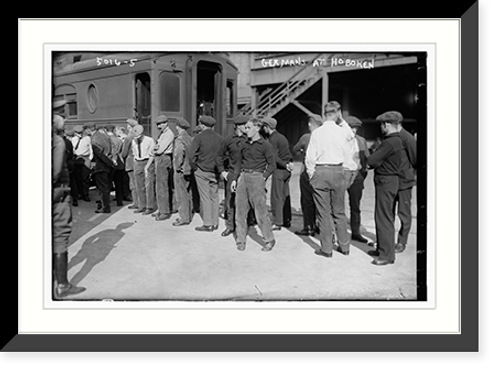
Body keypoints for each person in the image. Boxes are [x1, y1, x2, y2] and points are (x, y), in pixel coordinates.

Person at [305, 102, 352, 257]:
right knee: (339, 212)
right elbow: (350, 137)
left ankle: (326, 249)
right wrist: (342, 120)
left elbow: (310, 157)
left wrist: (312, 174)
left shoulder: (317, 133)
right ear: (337, 113)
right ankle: (344, 247)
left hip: (321, 170)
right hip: (338, 170)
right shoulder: (342, 131)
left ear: (324, 113)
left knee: (323, 213)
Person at [52, 102, 86, 299]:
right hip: (58, 195)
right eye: (62, 116)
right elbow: (55, 172)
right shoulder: (56, 141)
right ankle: (63, 285)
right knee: (60, 237)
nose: (65, 120)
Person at [232, 117, 276, 252]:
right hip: (243, 177)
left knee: (260, 211)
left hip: (257, 177)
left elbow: (272, 164)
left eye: (248, 128)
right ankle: (241, 240)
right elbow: (238, 163)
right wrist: (235, 179)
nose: (246, 130)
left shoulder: (265, 145)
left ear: (257, 128)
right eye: (245, 128)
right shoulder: (244, 144)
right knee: (240, 210)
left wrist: (263, 177)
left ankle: (269, 239)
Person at [366, 111, 403, 266]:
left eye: (382, 124)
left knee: (384, 218)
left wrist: (372, 158)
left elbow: (372, 160)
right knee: (384, 216)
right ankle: (383, 248)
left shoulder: (389, 142)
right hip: (390, 181)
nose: (381, 127)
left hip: (385, 182)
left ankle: (387, 255)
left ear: (387, 125)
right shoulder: (397, 140)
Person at [215, 114, 256, 237]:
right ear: (238, 126)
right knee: (230, 202)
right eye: (245, 125)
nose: (247, 127)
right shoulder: (228, 140)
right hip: (232, 174)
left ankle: (247, 224)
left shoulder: (250, 139)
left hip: (246, 174)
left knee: (247, 201)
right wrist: (222, 171)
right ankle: (230, 226)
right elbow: (218, 156)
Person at [189, 115, 224, 232]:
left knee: (205, 197)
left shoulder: (198, 138)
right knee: (214, 196)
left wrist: (194, 167)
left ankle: (207, 223)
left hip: (202, 170)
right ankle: (215, 222)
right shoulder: (220, 138)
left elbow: (191, 155)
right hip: (215, 171)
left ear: (202, 125)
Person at [292, 114, 323, 236]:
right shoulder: (325, 136)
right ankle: (320, 225)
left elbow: (295, 149)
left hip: (307, 171)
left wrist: (302, 152)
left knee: (307, 200)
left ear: (310, 124)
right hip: (321, 171)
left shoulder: (306, 137)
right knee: (320, 200)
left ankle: (308, 227)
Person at [262, 117, 293, 231]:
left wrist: (284, 165)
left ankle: (277, 222)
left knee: (276, 197)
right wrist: (289, 164)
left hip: (279, 170)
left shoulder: (272, 139)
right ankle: (286, 219)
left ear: (267, 127)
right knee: (285, 195)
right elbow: (289, 153)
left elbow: (274, 157)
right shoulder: (282, 137)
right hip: (287, 171)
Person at [344, 116, 370, 243]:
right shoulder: (339, 140)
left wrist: (362, 174)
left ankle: (355, 232)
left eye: (356, 128)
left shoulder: (361, 141)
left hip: (357, 176)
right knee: (335, 205)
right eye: (351, 127)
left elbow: (366, 159)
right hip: (341, 175)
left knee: (355, 206)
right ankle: (335, 232)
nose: (354, 130)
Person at [146, 115, 175, 221]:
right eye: (157, 124)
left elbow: (159, 150)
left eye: (161, 124)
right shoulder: (163, 133)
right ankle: (162, 208)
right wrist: (155, 149)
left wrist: (154, 150)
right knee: (160, 186)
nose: (158, 126)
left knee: (162, 187)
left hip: (163, 159)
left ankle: (164, 211)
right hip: (161, 159)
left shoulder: (168, 134)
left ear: (166, 123)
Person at [395, 115, 417, 253]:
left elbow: (415, 159)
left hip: (404, 182)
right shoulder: (392, 136)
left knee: (404, 213)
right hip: (392, 182)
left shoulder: (407, 138)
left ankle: (402, 242)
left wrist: (408, 173)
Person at [172, 117, 194, 226]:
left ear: (179, 127)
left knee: (181, 195)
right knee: (188, 193)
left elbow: (178, 155)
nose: (176, 128)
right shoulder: (190, 138)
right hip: (189, 169)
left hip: (181, 170)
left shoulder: (179, 139)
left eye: (177, 126)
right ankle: (188, 215)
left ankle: (184, 218)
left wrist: (177, 167)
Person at [90, 124, 116, 213]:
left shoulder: (94, 139)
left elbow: (99, 154)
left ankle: (105, 207)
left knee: (102, 188)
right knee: (107, 187)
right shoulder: (106, 137)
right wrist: (112, 161)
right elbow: (113, 148)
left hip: (101, 166)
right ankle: (105, 204)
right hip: (109, 166)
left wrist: (107, 162)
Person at [131, 124, 155, 214]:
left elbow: (152, 155)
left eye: (138, 137)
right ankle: (141, 206)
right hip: (137, 162)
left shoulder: (150, 140)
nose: (137, 138)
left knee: (148, 186)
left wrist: (147, 166)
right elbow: (134, 153)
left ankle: (149, 207)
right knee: (139, 186)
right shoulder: (133, 141)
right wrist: (135, 163)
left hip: (147, 161)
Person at [71, 124, 93, 202]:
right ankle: (83, 194)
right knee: (81, 178)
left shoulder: (86, 139)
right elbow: (90, 149)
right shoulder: (75, 139)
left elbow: (90, 149)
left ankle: (83, 194)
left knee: (82, 178)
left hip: (82, 158)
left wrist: (89, 158)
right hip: (81, 158)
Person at [107, 125, 125, 207]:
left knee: (107, 183)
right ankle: (119, 201)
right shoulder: (119, 140)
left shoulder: (106, 140)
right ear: (113, 130)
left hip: (109, 164)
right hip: (119, 164)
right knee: (118, 184)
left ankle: (106, 200)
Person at [122, 119, 139, 210]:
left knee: (133, 184)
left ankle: (136, 203)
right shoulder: (138, 135)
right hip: (137, 162)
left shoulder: (128, 137)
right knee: (138, 183)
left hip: (130, 162)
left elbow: (124, 153)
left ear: (130, 126)